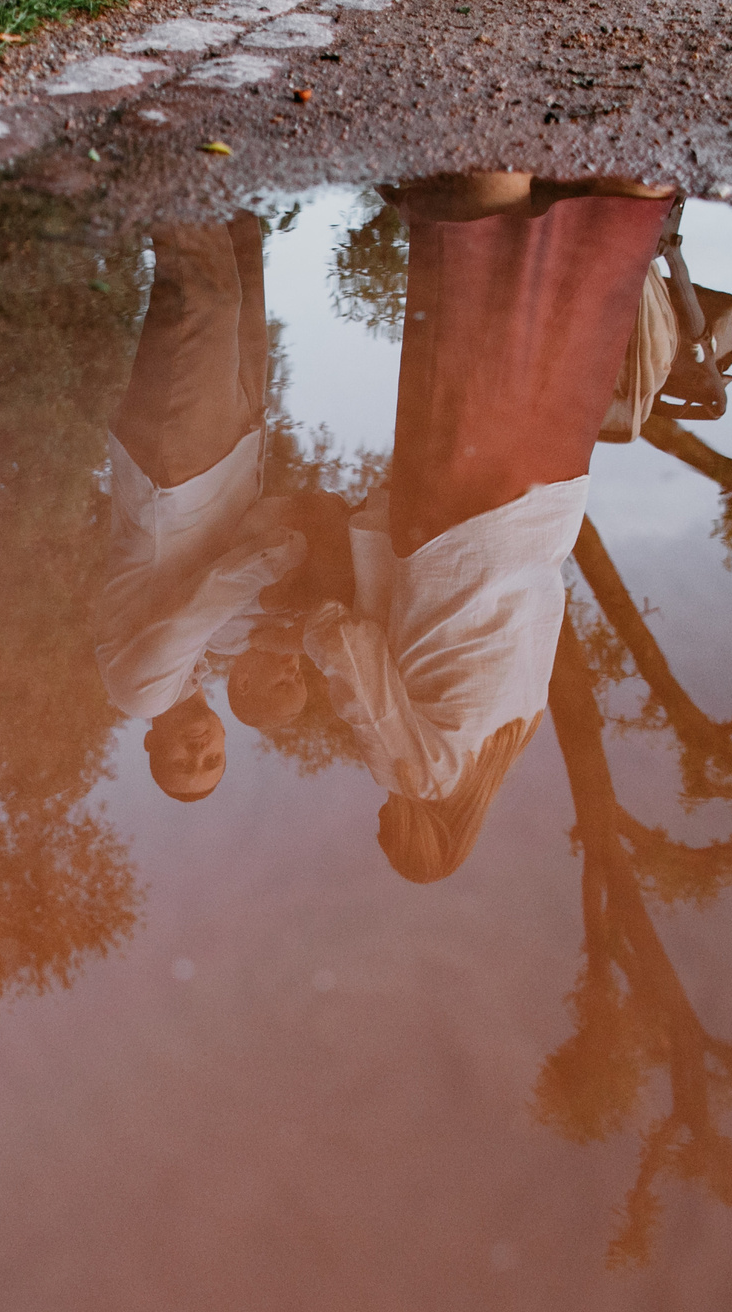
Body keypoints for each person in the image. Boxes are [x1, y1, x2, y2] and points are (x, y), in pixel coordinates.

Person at [290, 171, 678, 880]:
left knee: (559, 345)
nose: (382, 808)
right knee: (465, 349)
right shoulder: (418, 777)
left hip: (543, 514)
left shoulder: (514, 734)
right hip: (456, 529)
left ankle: (613, 194)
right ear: (416, 827)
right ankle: (486, 186)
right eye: (388, 827)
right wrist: (308, 629)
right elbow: (348, 648)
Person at [93, 215, 306, 800]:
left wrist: (290, 553)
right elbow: (237, 620)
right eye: (211, 758)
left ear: (151, 746)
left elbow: (208, 594)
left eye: (183, 763)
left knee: (203, 294)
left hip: (177, 471)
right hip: (232, 455)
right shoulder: (211, 657)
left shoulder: (140, 691)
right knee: (242, 262)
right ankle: (222, 148)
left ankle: (169, 145)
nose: (198, 750)